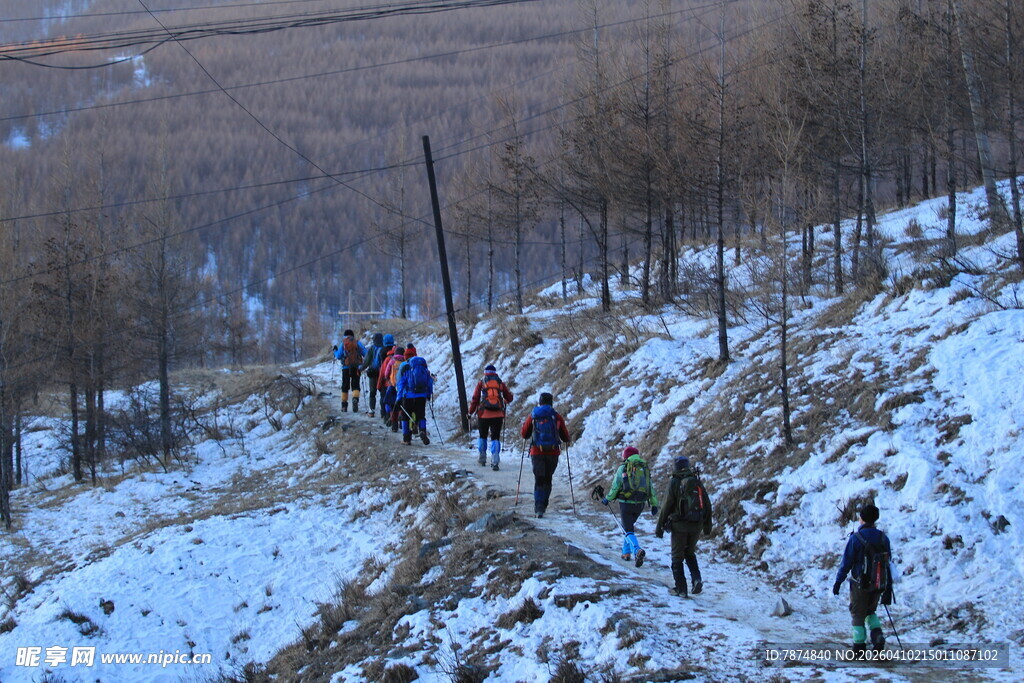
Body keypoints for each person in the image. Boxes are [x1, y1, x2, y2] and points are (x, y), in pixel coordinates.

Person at [833, 504, 894, 652]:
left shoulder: (856, 538)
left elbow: (846, 562)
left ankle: (859, 647)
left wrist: (838, 581)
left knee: (857, 614)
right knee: (870, 611)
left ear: (862, 519)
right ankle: (877, 636)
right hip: (879, 583)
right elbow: (887, 562)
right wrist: (888, 587)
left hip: (859, 583)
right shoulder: (883, 538)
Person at [656, 456, 712, 598]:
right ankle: (696, 579)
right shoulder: (696, 481)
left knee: (677, 556)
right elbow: (707, 504)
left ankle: (681, 589)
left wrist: (659, 527)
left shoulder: (674, 482)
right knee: (690, 552)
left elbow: (666, 506)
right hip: (697, 524)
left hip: (679, 525)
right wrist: (707, 527)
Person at [601, 446, 658, 568]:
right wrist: (654, 504)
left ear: (625, 456)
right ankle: (625, 553)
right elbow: (651, 487)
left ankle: (637, 550)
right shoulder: (644, 468)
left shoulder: (624, 467)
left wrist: (608, 499)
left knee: (628, 530)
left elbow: (616, 485)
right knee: (628, 529)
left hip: (626, 503)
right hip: (640, 504)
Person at [520, 392, 570, 518]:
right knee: (548, 479)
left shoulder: (534, 415)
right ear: (551, 402)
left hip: (537, 452)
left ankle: (539, 507)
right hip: (553, 452)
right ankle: (544, 504)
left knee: (539, 480)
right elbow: (565, 437)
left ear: (540, 402)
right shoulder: (556, 416)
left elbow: (524, 434)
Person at [467, 364, 514, 470]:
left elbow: (475, 399)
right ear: (495, 372)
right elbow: (509, 397)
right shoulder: (500, 383)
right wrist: (508, 398)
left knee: (483, 435)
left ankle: (482, 458)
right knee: (495, 437)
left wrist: (470, 412)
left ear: (485, 372)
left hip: (483, 414)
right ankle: (495, 461)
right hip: (498, 414)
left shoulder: (481, 383)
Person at [396, 355, 433, 446]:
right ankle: (422, 431)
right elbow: (430, 383)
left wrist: (399, 397)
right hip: (421, 396)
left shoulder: (407, 370)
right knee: (421, 415)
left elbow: (401, 384)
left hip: (408, 396)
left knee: (405, 417)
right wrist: (428, 395)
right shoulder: (425, 371)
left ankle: (406, 438)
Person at [333, 329, 365, 413]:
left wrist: (335, 351)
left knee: (345, 386)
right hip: (356, 367)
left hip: (345, 368)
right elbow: (365, 353)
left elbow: (338, 356)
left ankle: (344, 406)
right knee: (355, 385)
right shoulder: (357, 343)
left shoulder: (343, 343)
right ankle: (355, 399)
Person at [360, 332, 390, 416]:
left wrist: (361, 368)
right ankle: (383, 412)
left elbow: (367, 361)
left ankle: (371, 411)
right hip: (382, 373)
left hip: (372, 373)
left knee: (372, 392)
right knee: (382, 392)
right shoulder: (385, 349)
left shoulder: (372, 349)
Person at [379, 346, 405, 431]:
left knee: (392, 404)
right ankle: (401, 420)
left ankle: (394, 426)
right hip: (402, 387)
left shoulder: (392, 361)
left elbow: (386, 372)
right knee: (401, 404)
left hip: (392, 385)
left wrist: (388, 379)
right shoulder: (404, 362)